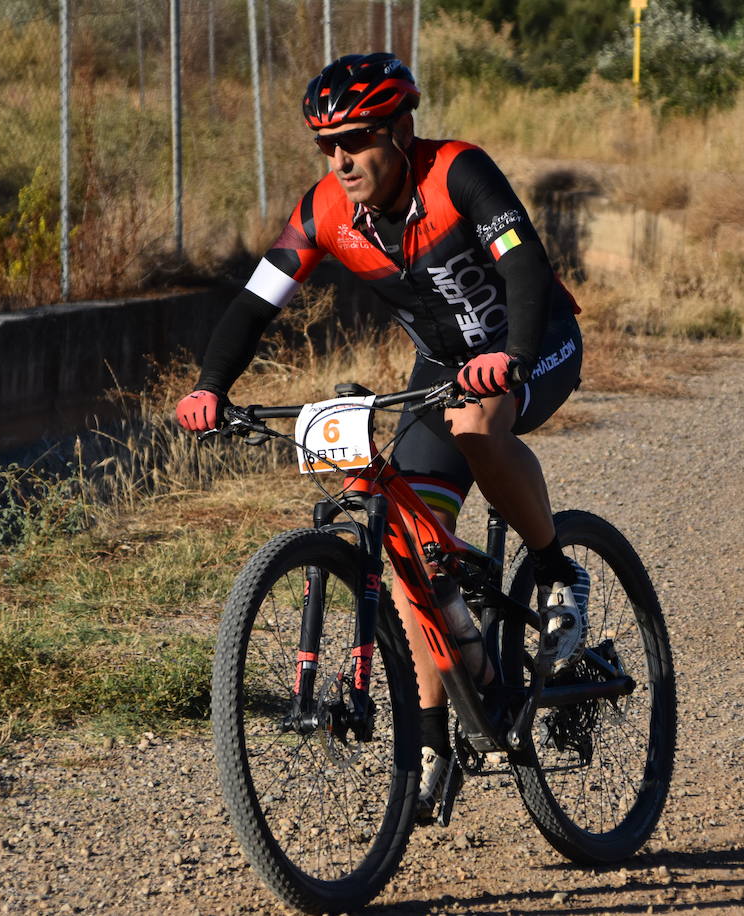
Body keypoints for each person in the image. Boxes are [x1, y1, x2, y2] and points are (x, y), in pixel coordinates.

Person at [176, 52, 584, 821]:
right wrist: (210, 387)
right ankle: (435, 738)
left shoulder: (457, 173)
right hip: (441, 368)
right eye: (328, 147)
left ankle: (558, 569)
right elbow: (257, 303)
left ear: (399, 130)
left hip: (534, 340)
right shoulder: (326, 209)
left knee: (477, 422)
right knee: (409, 557)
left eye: (357, 140)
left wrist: (515, 357)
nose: (342, 160)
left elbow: (526, 269)